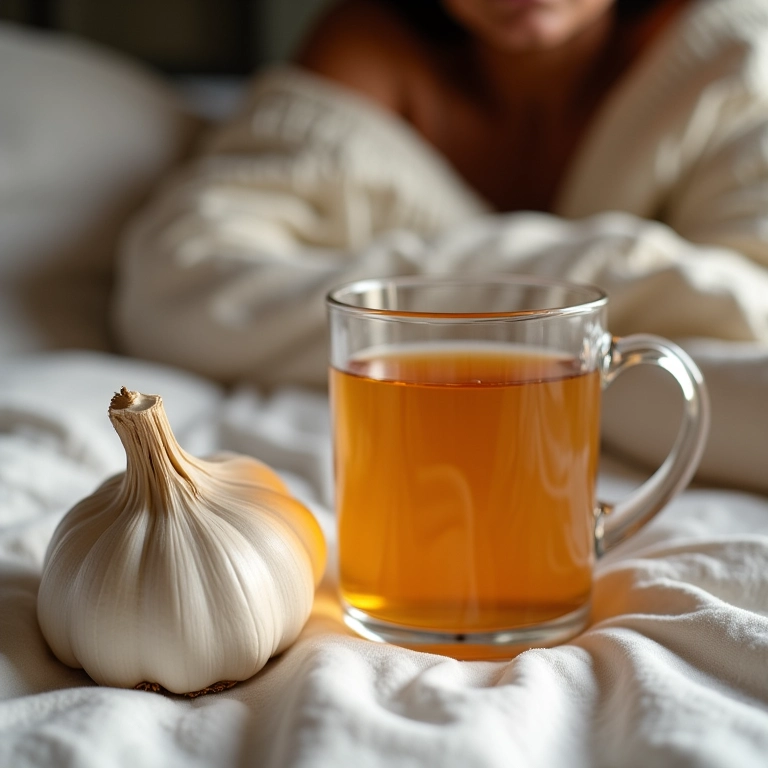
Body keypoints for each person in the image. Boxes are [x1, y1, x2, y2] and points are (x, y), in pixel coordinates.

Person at [113, 0, 768, 389]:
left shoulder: (732, 56)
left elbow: (753, 310)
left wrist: (413, 320)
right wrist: (601, 293)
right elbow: (180, 289)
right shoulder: (367, 55)